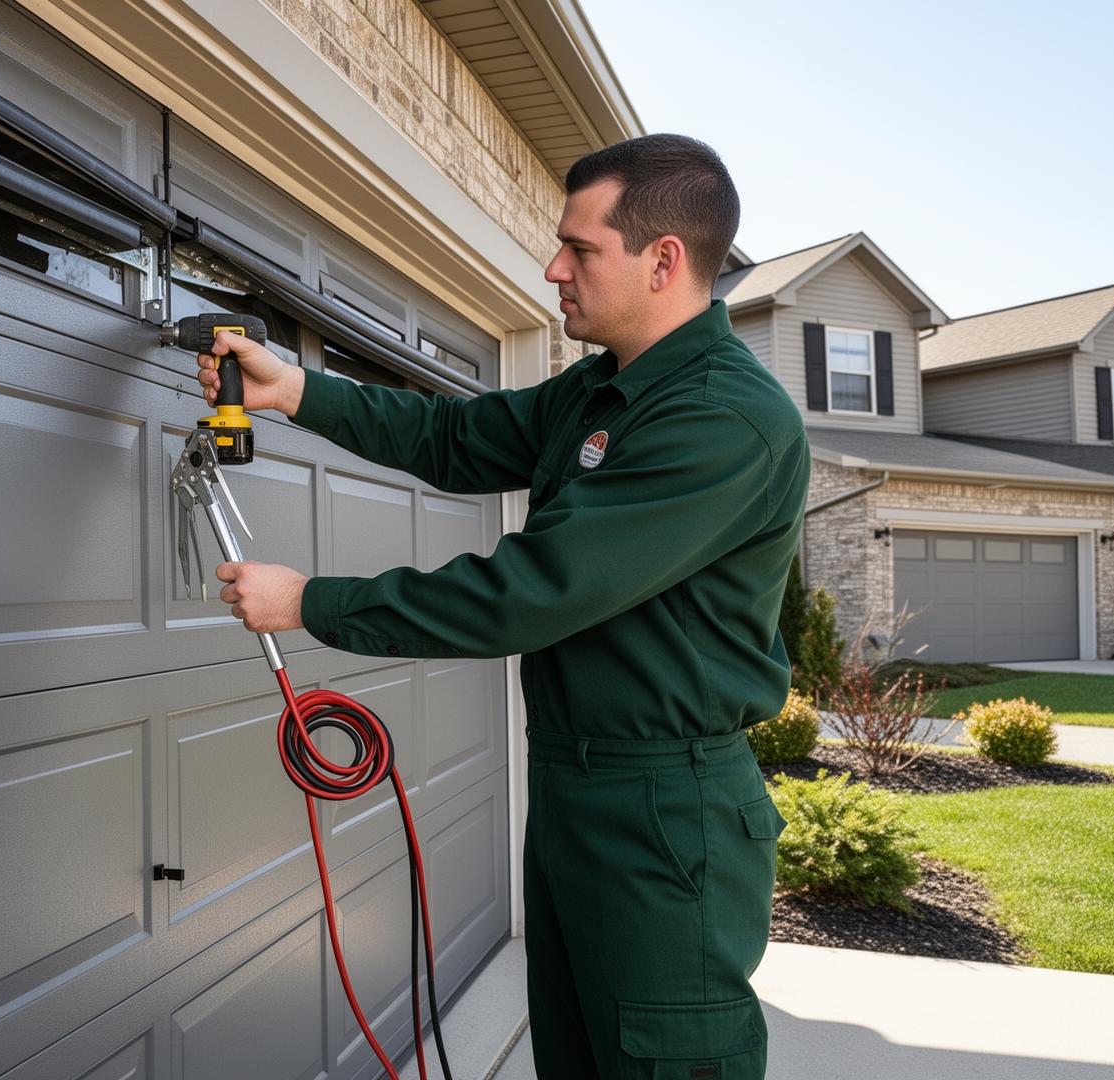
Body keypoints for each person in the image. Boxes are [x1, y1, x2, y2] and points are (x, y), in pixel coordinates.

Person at [194, 133, 807, 1079]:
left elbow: (535, 592)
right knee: (577, 1055)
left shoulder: (721, 419)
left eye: (581, 249)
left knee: (669, 1060)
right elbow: (456, 435)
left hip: (663, 806)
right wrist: (299, 391)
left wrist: (311, 602)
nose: (554, 269)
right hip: (574, 783)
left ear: (664, 260)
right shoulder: (605, 389)